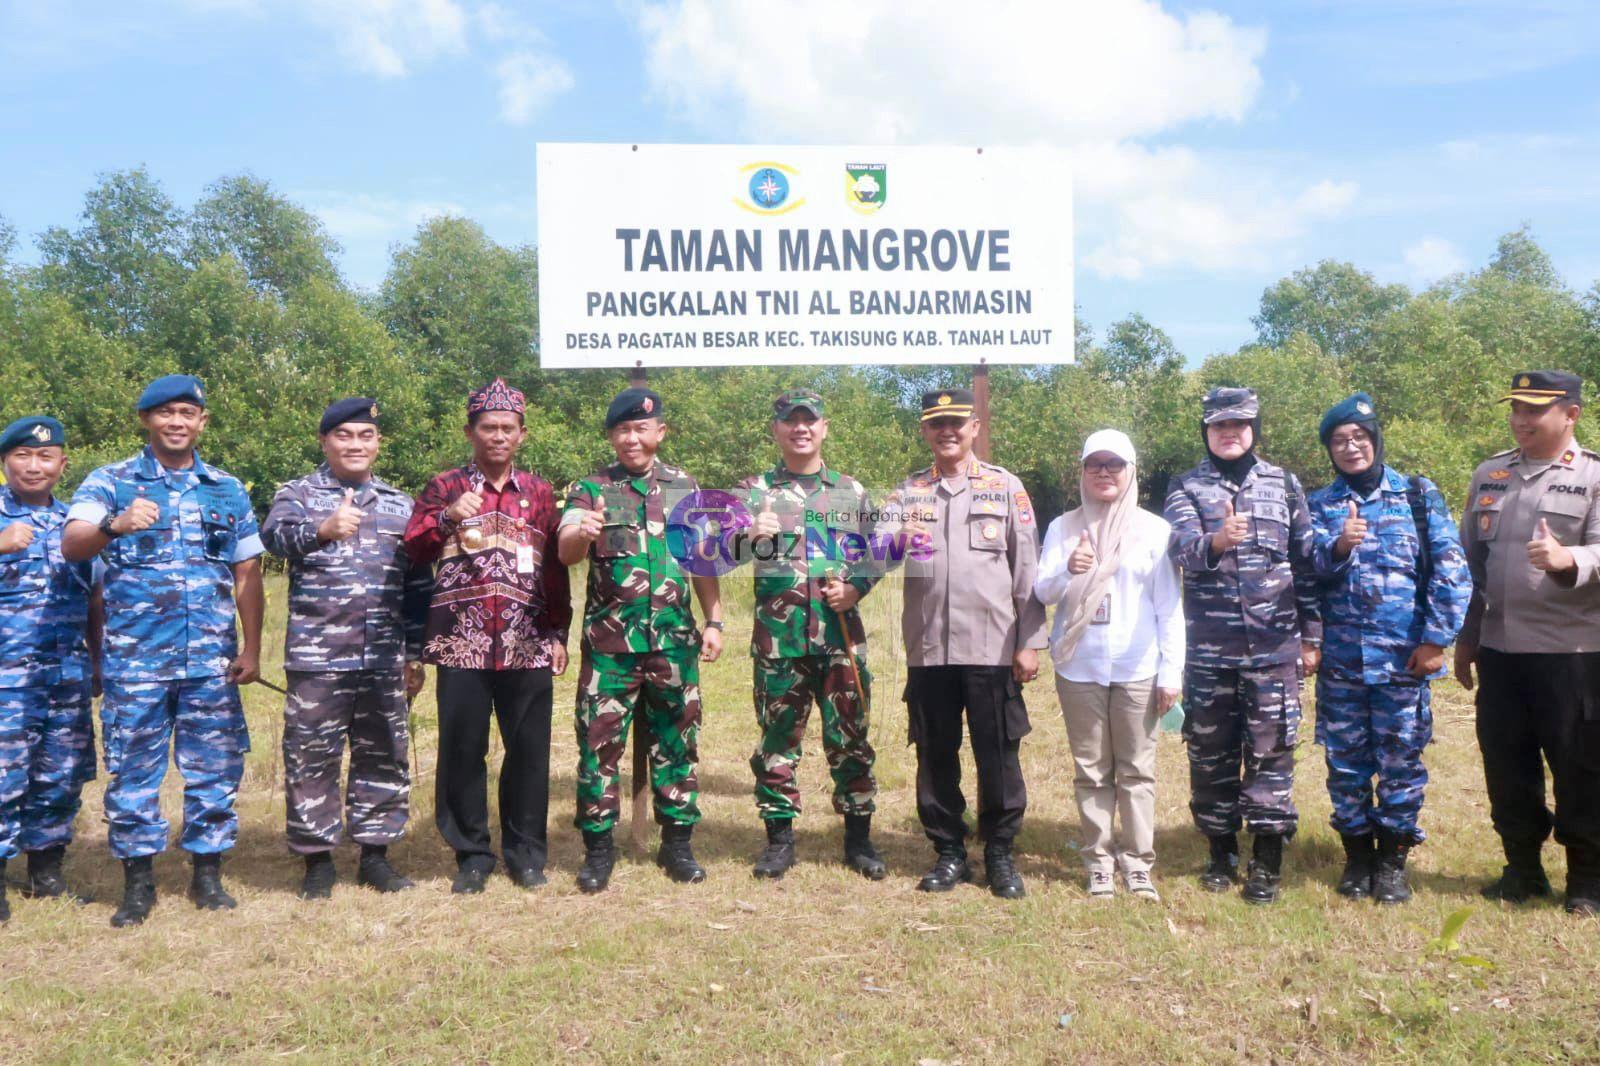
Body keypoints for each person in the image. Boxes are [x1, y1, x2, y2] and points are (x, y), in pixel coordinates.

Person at [62, 374, 264, 927]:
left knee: (215, 770)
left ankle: (208, 876)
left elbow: (247, 570)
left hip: (210, 662)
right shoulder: (112, 481)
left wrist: (252, 648)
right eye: (166, 413)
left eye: (187, 413)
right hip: (136, 663)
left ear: (201, 422)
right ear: (147, 420)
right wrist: (115, 524)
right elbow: (72, 543)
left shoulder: (226, 487)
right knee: (132, 774)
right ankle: (138, 884)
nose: (177, 422)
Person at [402, 378, 571, 894]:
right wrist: (445, 519)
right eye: (488, 427)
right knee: (461, 748)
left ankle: (525, 853)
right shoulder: (445, 486)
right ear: (471, 432)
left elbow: (555, 569)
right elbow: (414, 549)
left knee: (528, 750)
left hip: (528, 642)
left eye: (507, 428)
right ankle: (472, 853)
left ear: (521, 433)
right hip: (461, 641)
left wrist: (559, 630)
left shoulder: (540, 493)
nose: (498, 436)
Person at [261, 398, 433, 899]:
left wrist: (415, 653)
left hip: (384, 656)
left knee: (384, 754)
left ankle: (375, 857)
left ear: (377, 443)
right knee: (311, 756)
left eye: (365, 436)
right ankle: (317, 861)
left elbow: (418, 585)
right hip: (319, 655)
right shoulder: (297, 494)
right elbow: (273, 539)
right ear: (324, 441)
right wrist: (322, 530)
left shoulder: (401, 505)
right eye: (344, 436)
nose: (355, 445)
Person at [557, 387, 723, 893]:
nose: (632, 438)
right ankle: (598, 852)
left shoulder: (685, 487)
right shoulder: (589, 489)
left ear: (660, 432)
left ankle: (677, 845)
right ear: (612, 436)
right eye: (622, 430)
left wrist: (714, 620)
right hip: (610, 647)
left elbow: (702, 560)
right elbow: (565, 553)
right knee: (598, 746)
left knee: (677, 742)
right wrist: (580, 532)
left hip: (674, 643)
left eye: (641, 429)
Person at [1307, 393, 1471, 905]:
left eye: (1359, 438)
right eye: (1339, 441)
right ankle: (1357, 858)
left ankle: (1393, 861)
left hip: (1403, 660)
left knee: (1401, 762)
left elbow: (1450, 568)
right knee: (1347, 765)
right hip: (1341, 664)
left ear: (1375, 440)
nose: (1350, 447)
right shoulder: (1319, 505)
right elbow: (1305, 575)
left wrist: (1436, 639)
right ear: (1329, 451)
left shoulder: (1417, 495)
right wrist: (1338, 546)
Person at [888, 387, 1046, 900]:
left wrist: (1030, 641)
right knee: (935, 752)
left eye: (957, 422)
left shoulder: (1005, 487)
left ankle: (999, 852)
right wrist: (891, 537)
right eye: (937, 424)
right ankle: (949, 851)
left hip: (993, 646)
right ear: (925, 432)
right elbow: (870, 544)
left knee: (997, 753)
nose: (948, 431)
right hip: (930, 647)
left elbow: (1027, 568)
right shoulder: (909, 490)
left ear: (974, 427)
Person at [1163, 386, 1320, 904]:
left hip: (1275, 650)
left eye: (1239, 426)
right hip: (1210, 653)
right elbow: (1181, 551)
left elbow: (1306, 563)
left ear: (1253, 429)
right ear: (1206, 432)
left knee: (1273, 753)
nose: (1229, 434)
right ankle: (1221, 852)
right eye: (1218, 427)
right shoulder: (1186, 487)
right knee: (1210, 756)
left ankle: (1267, 861)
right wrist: (1217, 541)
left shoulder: (1284, 484)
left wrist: (1311, 637)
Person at [1456, 371, 1600, 916]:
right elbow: (1472, 566)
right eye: (1516, 407)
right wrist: (1467, 640)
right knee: (1507, 764)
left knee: (1581, 768)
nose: (1521, 417)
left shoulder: (1592, 477)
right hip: (1501, 653)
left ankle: (1587, 879)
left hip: (1575, 656)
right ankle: (1522, 868)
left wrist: (1572, 560)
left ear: (1571, 415)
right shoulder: (1490, 473)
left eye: (1535, 409)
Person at [732, 389, 883, 881]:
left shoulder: (851, 492)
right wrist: (748, 535)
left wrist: (857, 588)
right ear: (776, 430)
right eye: (790, 421)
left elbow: (879, 549)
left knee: (850, 738)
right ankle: (779, 841)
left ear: (824, 428)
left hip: (840, 638)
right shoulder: (753, 492)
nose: (801, 428)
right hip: (780, 641)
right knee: (778, 740)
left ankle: (858, 842)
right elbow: (717, 552)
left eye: (809, 421)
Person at [1034, 429, 1182, 901]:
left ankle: (1137, 864)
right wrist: (1067, 570)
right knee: (1092, 771)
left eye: (1113, 464)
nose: (1103, 472)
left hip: (1139, 667)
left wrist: (1171, 672)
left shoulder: (1154, 530)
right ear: (1081, 471)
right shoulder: (1063, 527)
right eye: (1094, 464)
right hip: (1080, 667)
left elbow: (1168, 607)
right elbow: (1042, 592)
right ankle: (1098, 861)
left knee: (1137, 771)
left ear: (1130, 472)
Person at [0, 416, 101, 920]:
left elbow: (96, 599)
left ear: (63, 464)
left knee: (60, 776)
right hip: (7, 681)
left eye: (45, 457)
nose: (33, 466)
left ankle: (45, 871)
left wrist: (99, 661)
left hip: (65, 676)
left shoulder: (76, 525)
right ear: (5, 463)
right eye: (22, 455)